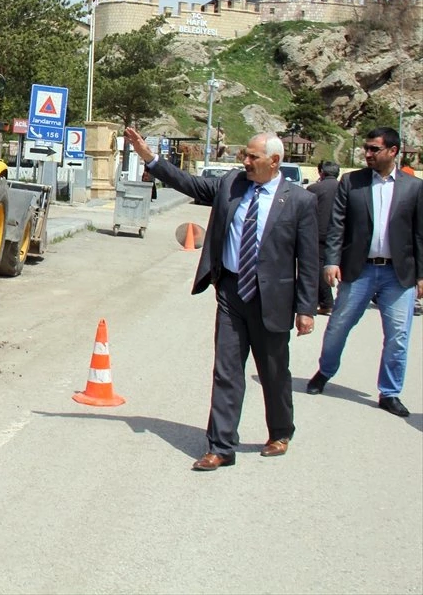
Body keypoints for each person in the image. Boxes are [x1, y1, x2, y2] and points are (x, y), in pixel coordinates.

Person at [123, 127, 317, 471]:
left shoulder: (300, 201)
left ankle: (281, 431)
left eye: (252, 157)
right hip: (231, 291)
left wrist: (306, 309)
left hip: (271, 298)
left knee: (273, 372)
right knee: (226, 371)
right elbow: (191, 184)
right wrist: (149, 157)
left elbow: (308, 258)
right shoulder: (232, 184)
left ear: (274, 161)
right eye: (244, 154)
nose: (244, 161)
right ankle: (221, 446)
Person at [306, 127, 423, 418]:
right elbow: (337, 225)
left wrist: (421, 275)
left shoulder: (414, 187)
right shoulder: (351, 182)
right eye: (366, 148)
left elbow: (420, 234)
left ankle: (390, 392)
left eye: (374, 149)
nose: (367, 154)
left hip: (399, 274)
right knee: (338, 327)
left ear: (393, 151)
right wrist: (331, 261)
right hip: (360, 270)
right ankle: (325, 371)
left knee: (398, 335)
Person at [307, 161, 342, 315]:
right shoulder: (345, 188)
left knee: (318, 268)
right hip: (341, 234)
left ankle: (327, 303)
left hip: (319, 234)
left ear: (322, 173)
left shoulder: (314, 189)